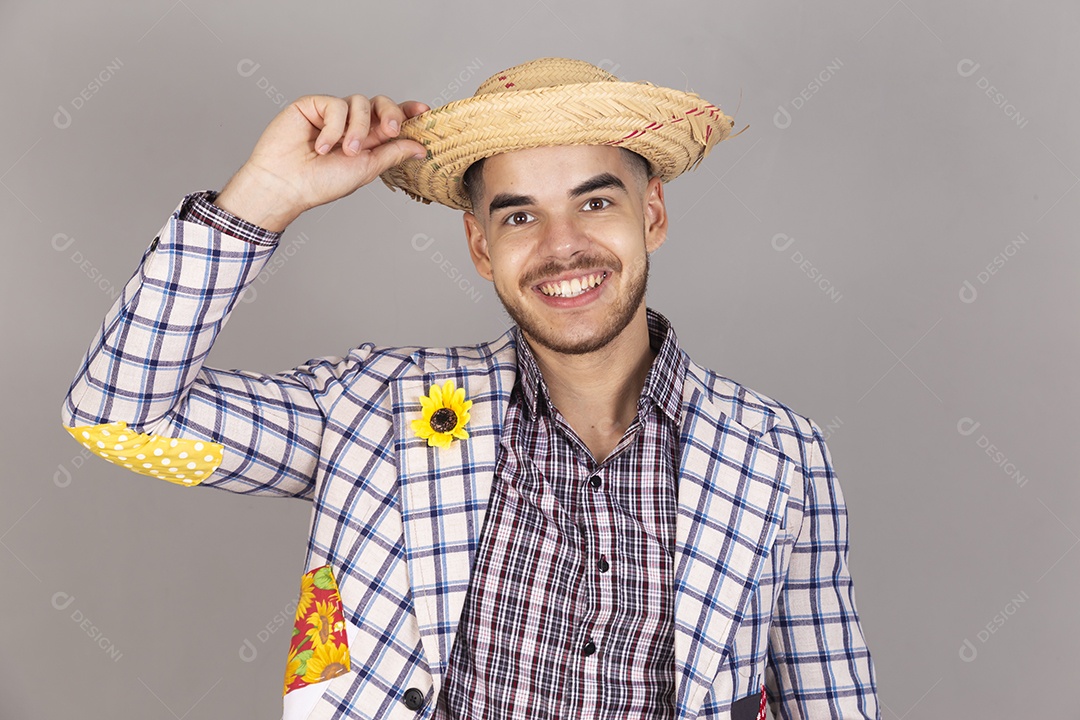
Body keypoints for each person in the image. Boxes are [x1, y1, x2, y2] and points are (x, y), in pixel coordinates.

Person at [61, 57, 879, 720]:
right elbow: (115, 417)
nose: (563, 247)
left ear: (652, 214)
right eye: (518, 216)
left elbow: (831, 698)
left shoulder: (780, 454)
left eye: (595, 201)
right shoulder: (372, 409)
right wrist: (265, 201)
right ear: (480, 245)